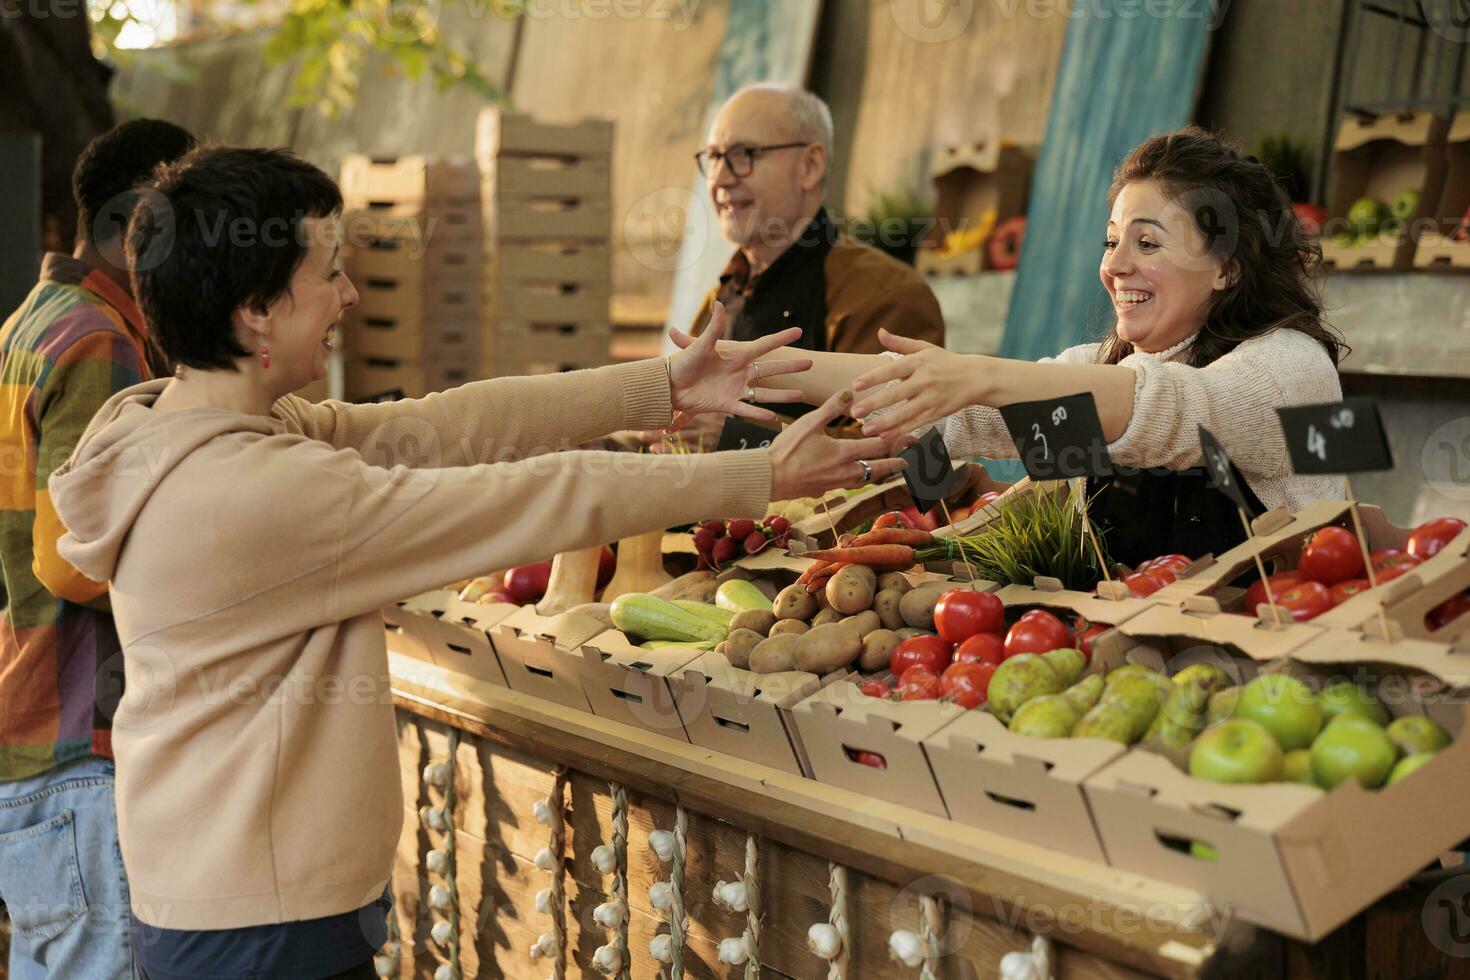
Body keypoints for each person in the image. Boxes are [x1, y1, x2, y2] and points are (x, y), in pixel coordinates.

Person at [45, 145, 902, 980]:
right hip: (260, 931)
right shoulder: (254, 490)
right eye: (329, 272)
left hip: (231, 908)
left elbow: (445, 425)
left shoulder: (184, 430)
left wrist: (661, 387)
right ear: (256, 309)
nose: (349, 294)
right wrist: (759, 473)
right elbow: (534, 498)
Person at [681, 128, 1347, 567]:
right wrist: (743, 370)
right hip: (1140, 664)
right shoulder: (1108, 368)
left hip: (1284, 674)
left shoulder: (1291, 367)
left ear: (1227, 267)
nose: (1115, 265)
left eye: (1147, 242)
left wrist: (981, 377)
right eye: (1111, 241)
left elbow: (1179, 412)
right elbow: (945, 406)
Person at [0, 117, 196, 980]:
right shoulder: (101, 341)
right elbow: (78, 562)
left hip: (34, 734)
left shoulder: (32, 322)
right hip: (83, 739)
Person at [649, 84, 945, 448]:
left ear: (810, 165)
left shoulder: (886, 296)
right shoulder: (722, 296)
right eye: (713, 158)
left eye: (743, 155)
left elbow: (905, 449)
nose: (721, 179)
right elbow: (680, 434)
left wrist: (737, 438)